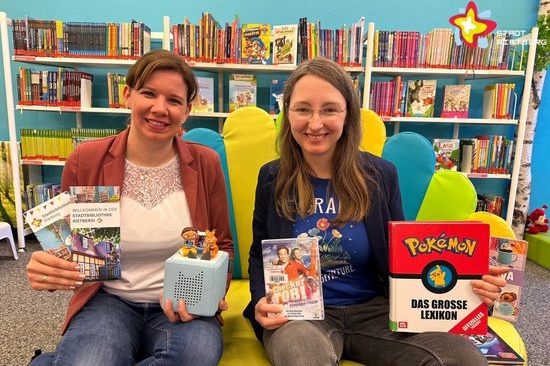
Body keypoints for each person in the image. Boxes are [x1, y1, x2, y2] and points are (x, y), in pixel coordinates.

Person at [243, 56, 508, 366]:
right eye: (303, 109)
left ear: (347, 115)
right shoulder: (272, 177)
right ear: (287, 114)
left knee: (462, 358)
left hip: (378, 311)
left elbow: (406, 255)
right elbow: (259, 254)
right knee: (305, 358)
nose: (315, 123)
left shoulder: (380, 174)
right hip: (302, 316)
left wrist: (467, 282)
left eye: (329, 109)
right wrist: (262, 300)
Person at [26, 49, 234, 366]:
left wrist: (208, 295)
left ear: (187, 110)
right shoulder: (87, 159)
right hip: (109, 300)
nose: (160, 108)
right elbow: (69, 251)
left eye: (174, 100)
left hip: (180, 304)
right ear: (127, 95)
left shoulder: (205, 163)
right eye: (148, 94)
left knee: (196, 357)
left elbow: (223, 246)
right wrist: (49, 270)